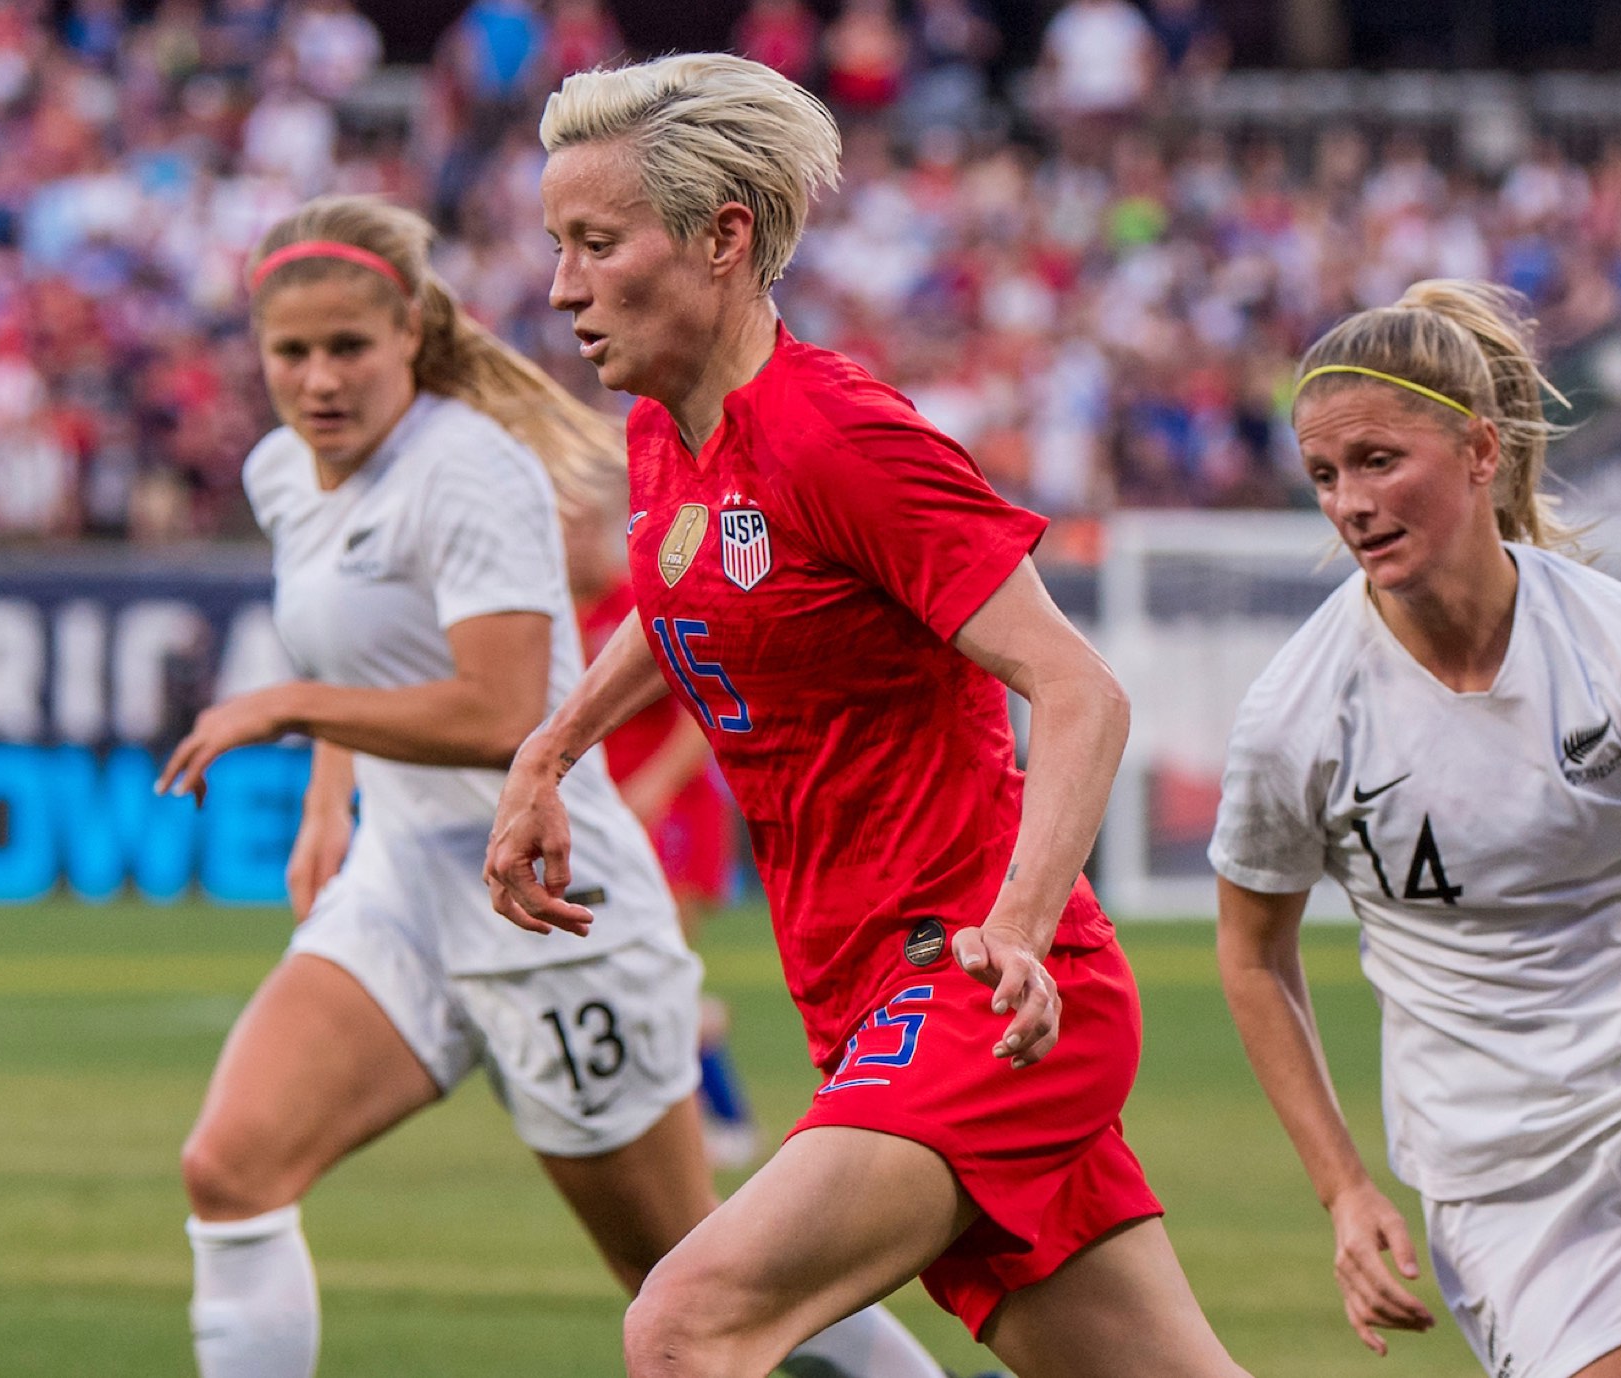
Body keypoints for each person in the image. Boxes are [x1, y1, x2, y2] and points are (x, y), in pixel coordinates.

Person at [489, 53, 1249, 1378]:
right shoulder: (671, 431)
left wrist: (1012, 924)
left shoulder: (842, 438)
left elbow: (1081, 689)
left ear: (722, 239)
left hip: (983, 990)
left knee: (685, 1321)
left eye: (596, 244)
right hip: (854, 991)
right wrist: (551, 744)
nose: (561, 287)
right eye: (558, 245)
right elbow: (684, 602)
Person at [160, 193, 941, 1378]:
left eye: (348, 349)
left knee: (686, 1269)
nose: (319, 380)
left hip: (549, 901)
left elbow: (498, 711)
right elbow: (349, 648)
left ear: (412, 336)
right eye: (292, 353)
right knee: (230, 1167)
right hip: (400, 887)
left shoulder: (467, 471)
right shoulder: (284, 473)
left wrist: (287, 707)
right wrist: (329, 796)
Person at [1211, 280, 1621, 1378]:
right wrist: (1343, 1187)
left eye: (1379, 460)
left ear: (1478, 450)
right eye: (1325, 474)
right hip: (1497, 1167)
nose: (1350, 502)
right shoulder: (1297, 714)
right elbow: (1251, 956)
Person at [566, 501, 762, 1168]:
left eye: (577, 528)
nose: (567, 546)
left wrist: (653, 786)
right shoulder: (556, 615)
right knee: (634, 970)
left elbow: (697, 709)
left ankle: (721, 1118)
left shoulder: (637, 601)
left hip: (674, 812)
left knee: (652, 965)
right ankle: (700, 1109)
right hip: (610, 817)